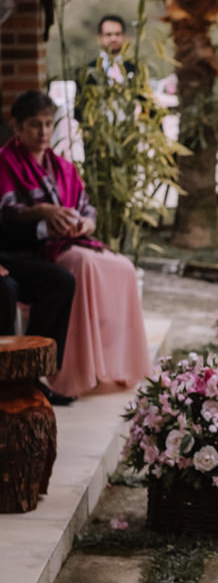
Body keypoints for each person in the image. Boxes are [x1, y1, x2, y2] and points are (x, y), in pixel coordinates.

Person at [0, 90, 150, 398]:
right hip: (27, 248)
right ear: (16, 127)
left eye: (47, 124)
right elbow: (6, 214)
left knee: (123, 267)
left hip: (72, 241)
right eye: (34, 125)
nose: (43, 132)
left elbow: (86, 209)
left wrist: (86, 224)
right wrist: (41, 213)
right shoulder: (6, 164)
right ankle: (60, 371)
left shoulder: (62, 167)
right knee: (75, 271)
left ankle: (57, 370)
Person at [0, 211, 76, 405]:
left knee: (61, 281)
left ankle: (31, 377)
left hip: (9, 255)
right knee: (5, 288)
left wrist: (46, 227)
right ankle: (5, 381)